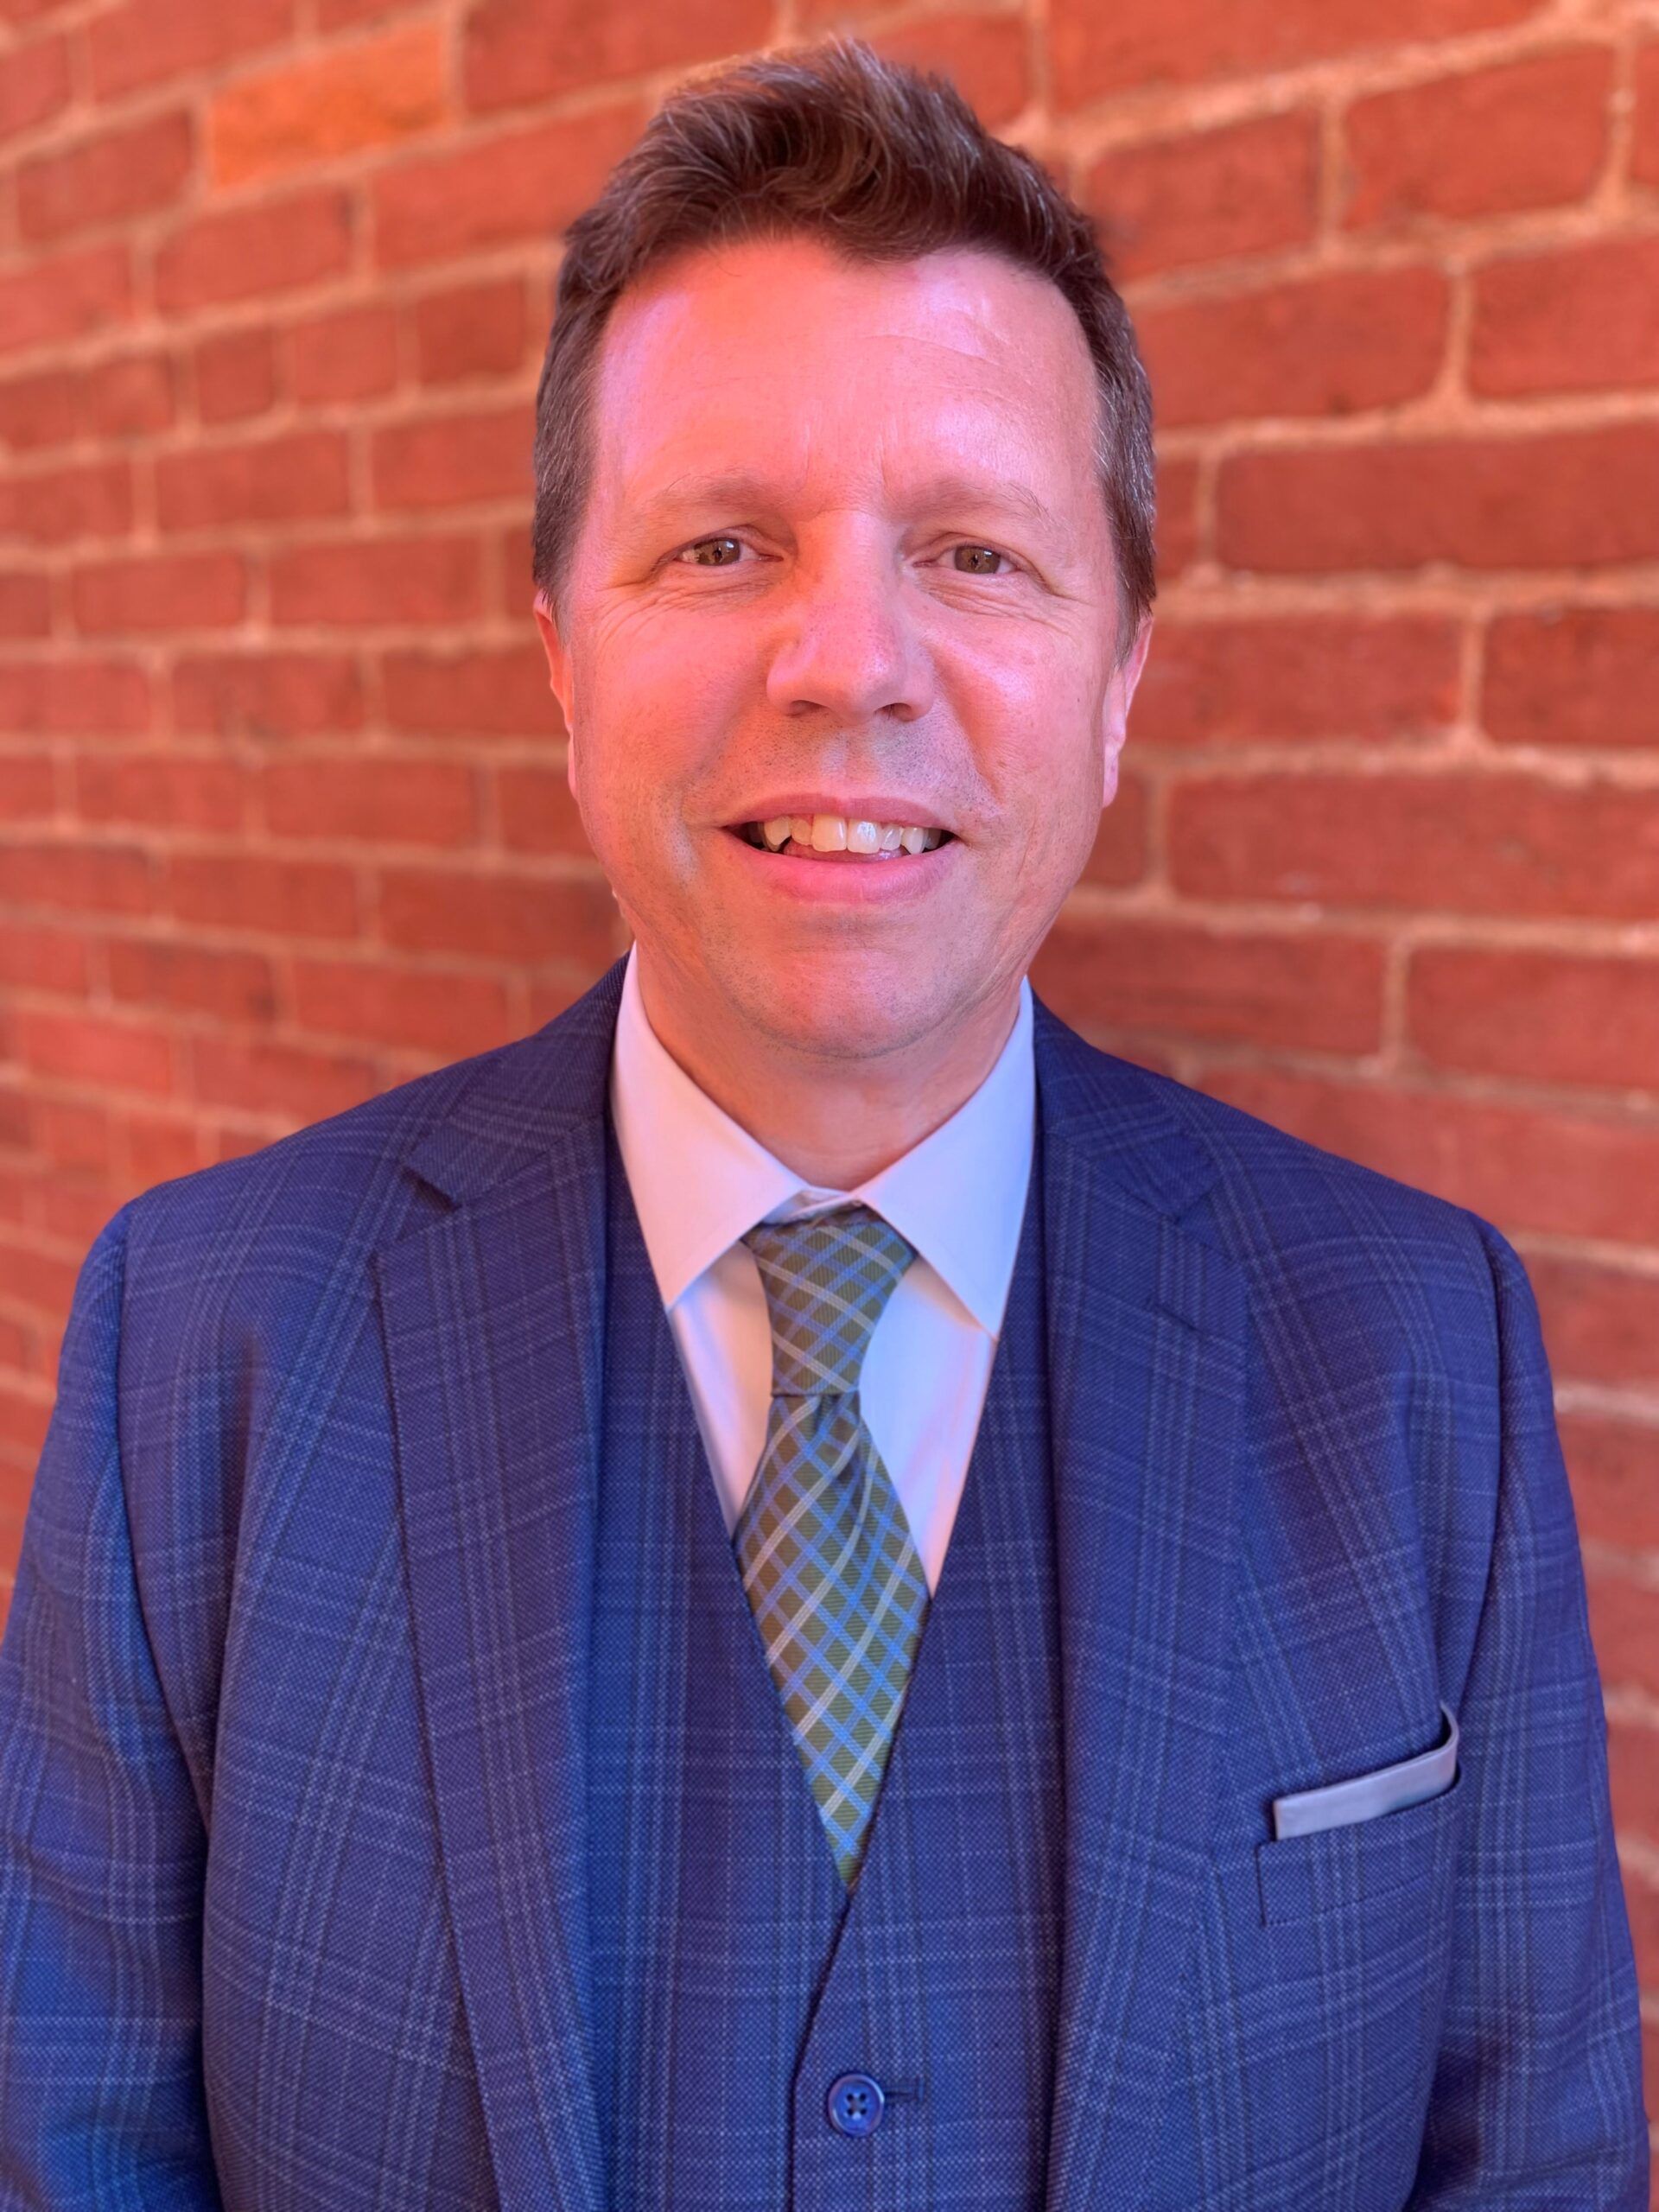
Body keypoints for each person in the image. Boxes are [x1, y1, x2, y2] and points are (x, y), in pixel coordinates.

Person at [0, 35, 1647, 2212]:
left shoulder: (1419, 1346)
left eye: (975, 551)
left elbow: (1526, 2160)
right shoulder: (201, 1344)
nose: (848, 658)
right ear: (561, 651)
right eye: (721, 545)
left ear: (1124, 671)